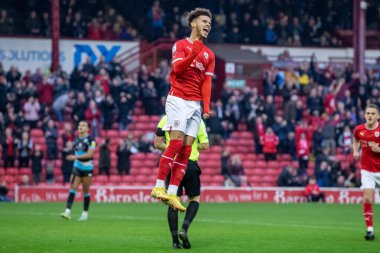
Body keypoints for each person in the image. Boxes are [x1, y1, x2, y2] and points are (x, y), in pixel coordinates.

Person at [150, 8, 214, 212]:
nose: (207, 25)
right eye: (204, 21)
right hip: (178, 98)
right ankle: (159, 186)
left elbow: (207, 82)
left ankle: (172, 193)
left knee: (186, 151)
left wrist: (206, 106)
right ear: (193, 23)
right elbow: (177, 69)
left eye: (210, 24)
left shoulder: (209, 54)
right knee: (176, 143)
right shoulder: (180, 45)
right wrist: (194, 52)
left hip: (195, 104)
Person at [154, 114, 209, 249]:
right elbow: (205, 145)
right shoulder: (196, 120)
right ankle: (184, 229)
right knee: (194, 198)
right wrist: (194, 146)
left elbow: (156, 143)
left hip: (172, 164)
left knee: (172, 200)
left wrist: (171, 150)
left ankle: (174, 241)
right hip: (190, 164)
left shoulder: (166, 119)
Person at [353, 103, 380, 241]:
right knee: (368, 198)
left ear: (378, 116)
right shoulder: (359, 129)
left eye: (372, 113)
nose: (369, 116)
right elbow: (356, 139)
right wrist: (355, 151)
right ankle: (370, 230)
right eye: (368, 113)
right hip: (367, 169)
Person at [60, 121, 96, 221]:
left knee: (86, 191)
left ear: (87, 129)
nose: (80, 127)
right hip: (77, 167)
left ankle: (85, 213)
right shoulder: (75, 140)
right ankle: (67, 212)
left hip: (87, 168)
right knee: (73, 188)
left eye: (83, 125)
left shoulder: (91, 140)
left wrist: (75, 157)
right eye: (80, 125)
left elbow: (89, 155)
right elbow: (78, 152)